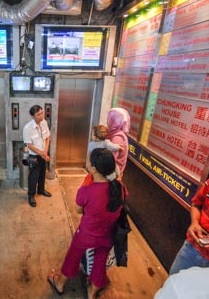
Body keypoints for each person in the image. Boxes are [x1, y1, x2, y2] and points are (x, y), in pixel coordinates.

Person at [47, 148, 124, 299]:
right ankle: (92, 293)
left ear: (94, 169)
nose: (87, 162)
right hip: (108, 235)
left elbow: (78, 210)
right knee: (100, 261)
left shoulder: (87, 191)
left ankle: (59, 283)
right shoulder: (120, 188)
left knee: (73, 257)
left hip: (87, 234)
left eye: (90, 161)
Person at [23, 105, 52, 207]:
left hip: (43, 154)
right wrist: (42, 153)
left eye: (42, 113)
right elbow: (29, 145)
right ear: (33, 116)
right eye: (38, 114)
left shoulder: (44, 123)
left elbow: (48, 138)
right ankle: (31, 196)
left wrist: (45, 151)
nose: (41, 115)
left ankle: (41, 190)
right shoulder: (27, 128)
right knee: (33, 177)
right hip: (35, 156)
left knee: (43, 173)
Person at [106, 108, 130, 179]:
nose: (108, 121)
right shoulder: (116, 133)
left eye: (110, 119)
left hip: (112, 176)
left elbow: (110, 159)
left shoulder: (117, 138)